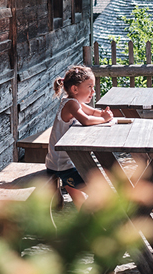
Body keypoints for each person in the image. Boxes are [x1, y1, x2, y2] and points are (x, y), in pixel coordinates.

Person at [46, 65, 113, 207]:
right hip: (62, 165)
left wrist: (103, 114)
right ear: (75, 89)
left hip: (64, 161)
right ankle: (87, 222)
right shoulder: (71, 104)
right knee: (99, 192)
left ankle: (84, 222)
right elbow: (86, 120)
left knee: (80, 197)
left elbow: (93, 112)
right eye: (89, 87)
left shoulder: (74, 101)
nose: (93, 91)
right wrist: (105, 119)